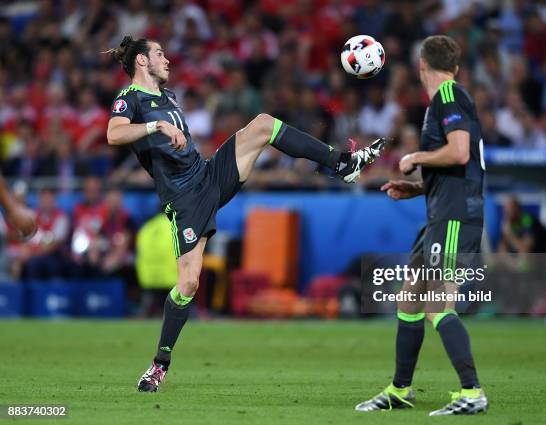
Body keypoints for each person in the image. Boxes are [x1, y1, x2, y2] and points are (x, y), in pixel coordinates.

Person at [104, 36, 385, 392]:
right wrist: (156, 126)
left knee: (263, 124)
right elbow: (113, 134)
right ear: (142, 62)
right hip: (184, 200)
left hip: (207, 176)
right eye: (159, 54)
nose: (167, 59)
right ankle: (159, 365)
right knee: (189, 283)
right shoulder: (129, 98)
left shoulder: (168, 97)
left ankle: (342, 163)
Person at [356, 35, 487, 415]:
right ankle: (400, 390)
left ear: (421, 66)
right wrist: (415, 188)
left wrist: (415, 156)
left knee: (438, 305)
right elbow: (461, 164)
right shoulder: (446, 101)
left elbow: (460, 151)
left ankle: (472, 393)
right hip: (438, 213)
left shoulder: (448, 95)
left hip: (454, 217)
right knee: (409, 297)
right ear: (456, 66)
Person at [0, 174, 37, 240]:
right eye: (17, 195)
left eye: (21, 195)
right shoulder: (4, 213)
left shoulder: (32, 212)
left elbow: (34, 235)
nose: (19, 198)